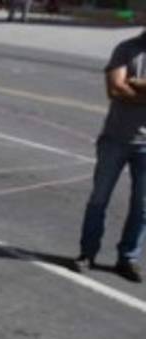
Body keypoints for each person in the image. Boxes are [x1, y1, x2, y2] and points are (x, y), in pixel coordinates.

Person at [75, 29, 146, 283]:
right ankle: (87, 253)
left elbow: (126, 87)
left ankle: (127, 259)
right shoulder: (126, 49)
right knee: (99, 199)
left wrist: (137, 84)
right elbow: (115, 89)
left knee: (142, 207)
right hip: (115, 138)